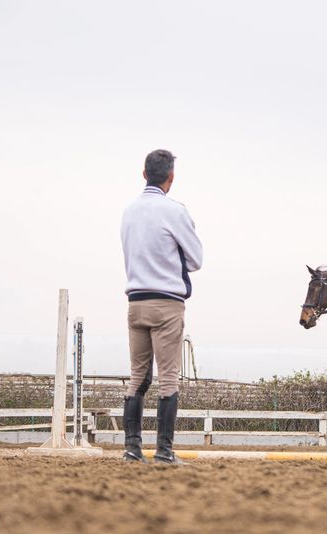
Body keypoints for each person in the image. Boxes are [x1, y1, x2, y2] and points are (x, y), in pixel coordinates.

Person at [120, 149, 203, 464]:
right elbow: (196, 260)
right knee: (168, 375)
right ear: (171, 177)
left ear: (144, 174)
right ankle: (164, 451)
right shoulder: (175, 211)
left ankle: (132, 448)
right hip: (167, 302)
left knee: (138, 376)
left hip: (135, 301)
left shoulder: (128, 211)